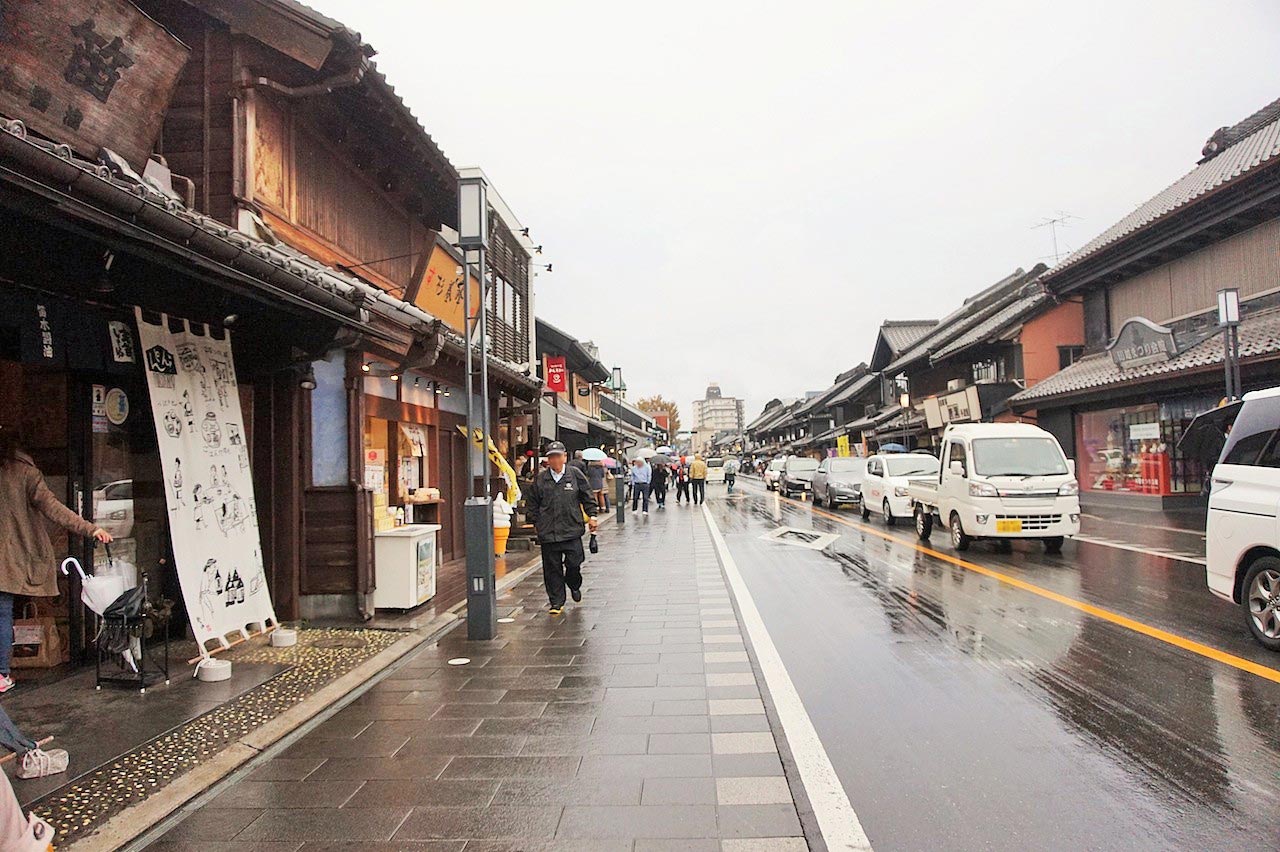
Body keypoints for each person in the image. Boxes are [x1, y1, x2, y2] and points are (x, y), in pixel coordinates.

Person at [0, 428, 112, 693]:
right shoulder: (24, 472)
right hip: (9, 558)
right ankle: (1, 674)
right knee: (2, 613)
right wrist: (90, 529)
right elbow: (53, 509)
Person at [525, 441, 598, 615]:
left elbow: (587, 496)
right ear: (547, 460)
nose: (555, 460)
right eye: (551, 457)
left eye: (558, 456)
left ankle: (574, 585)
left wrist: (593, 515)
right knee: (552, 569)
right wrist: (536, 523)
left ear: (565, 457)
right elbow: (532, 504)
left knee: (574, 564)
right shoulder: (541, 480)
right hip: (548, 533)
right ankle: (556, 602)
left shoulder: (575, 475)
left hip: (572, 530)